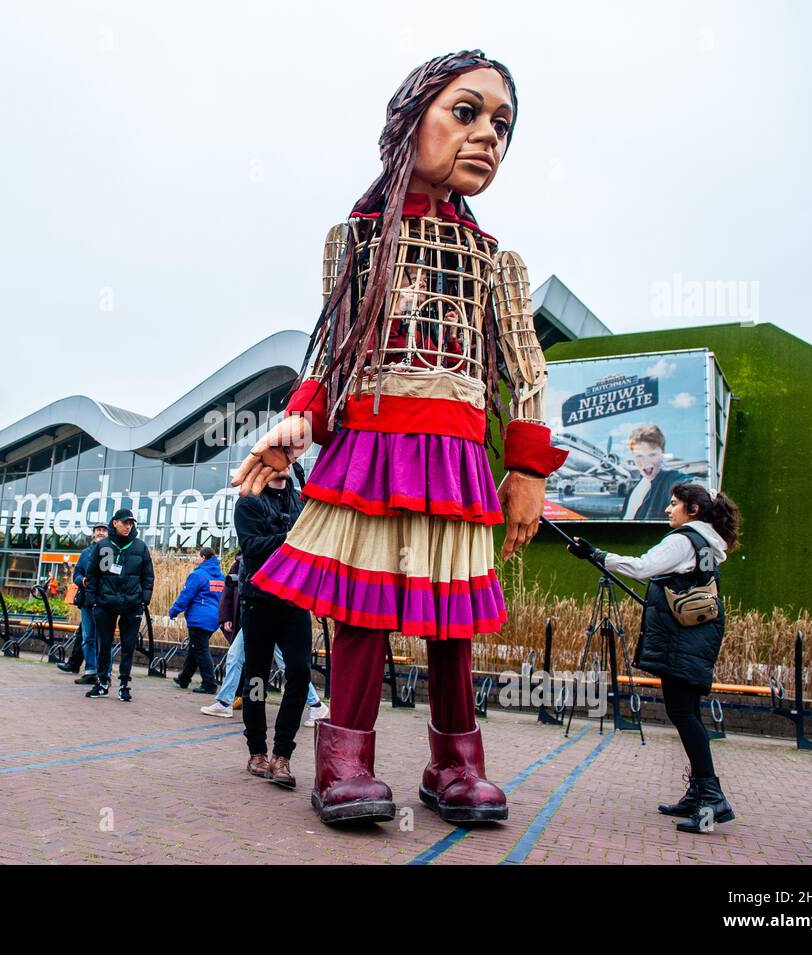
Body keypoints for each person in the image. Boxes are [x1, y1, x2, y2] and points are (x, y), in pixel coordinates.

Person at [232, 51, 568, 826]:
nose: (487, 135)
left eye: (502, 125)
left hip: (456, 455)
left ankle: (455, 761)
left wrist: (527, 468)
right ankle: (346, 758)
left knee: (453, 616)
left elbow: (527, 370)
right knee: (362, 607)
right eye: (467, 111)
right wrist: (296, 425)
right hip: (374, 446)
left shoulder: (495, 261)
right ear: (408, 118)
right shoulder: (353, 240)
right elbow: (332, 358)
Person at [568, 483, 741, 834]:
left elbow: (642, 567)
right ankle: (699, 793)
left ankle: (711, 797)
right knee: (688, 712)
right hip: (696, 638)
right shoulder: (707, 542)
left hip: (683, 641)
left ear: (693, 509)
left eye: (674, 504)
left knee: (683, 714)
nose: (668, 509)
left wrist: (596, 554)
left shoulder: (684, 540)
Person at [233, 467, 314, 789]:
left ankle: (282, 755)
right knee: (256, 677)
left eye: (288, 454)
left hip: (295, 600)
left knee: (300, 672)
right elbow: (252, 546)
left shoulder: (301, 501)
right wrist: (295, 538)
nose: (282, 461)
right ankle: (257, 751)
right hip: (259, 600)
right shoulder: (248, 501)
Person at [200, 555, 330, 726]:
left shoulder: (258, 554)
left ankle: (315, 705)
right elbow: (230, 590)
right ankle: (227, 702)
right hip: (255, 615)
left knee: (278, 665)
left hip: (265, 615)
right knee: (239, 657)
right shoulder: (245, 558)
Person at [82, 508, 154, 702]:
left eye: (131, 523)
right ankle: (103, 683)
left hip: (132, 604)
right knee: (103, 645)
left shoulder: (140, 547)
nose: (128, 526)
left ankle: (124, 685)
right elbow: (92, 575)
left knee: (128, 646)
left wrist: (144, 599)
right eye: (125, 522)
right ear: (115, 523)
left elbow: (148, 575)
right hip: (105, 603)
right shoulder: (103, 545)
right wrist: (92, 600)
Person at [168, 547, 224, 694]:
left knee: (200, 650)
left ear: (204, 558)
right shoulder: (220, 576)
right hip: (213, 618)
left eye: (198, 556)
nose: (197, 559)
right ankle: (184, 678)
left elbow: (186, 595)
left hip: (199, 618)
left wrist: (174, 610)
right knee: (195, 648)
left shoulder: (198, 575)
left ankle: (209, 684)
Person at [58, 519, 108, 681]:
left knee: (103, 639)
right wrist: (83, 580)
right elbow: (77, 574)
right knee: (88, 637)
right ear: (93, 533)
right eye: (97, 530)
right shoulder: (86, 553)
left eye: (103, 530)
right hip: (87, 600)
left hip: (104, 601)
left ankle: (104, 673)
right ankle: (90, 671)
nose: (100, 532)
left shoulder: (110, 551)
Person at [621, 425, 692, 521]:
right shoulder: (633, 491)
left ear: (662, 453)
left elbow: (688, 485)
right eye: (639, 456)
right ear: (633, 456)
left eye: (652, 454)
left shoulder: (670, 482)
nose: (645, 461)